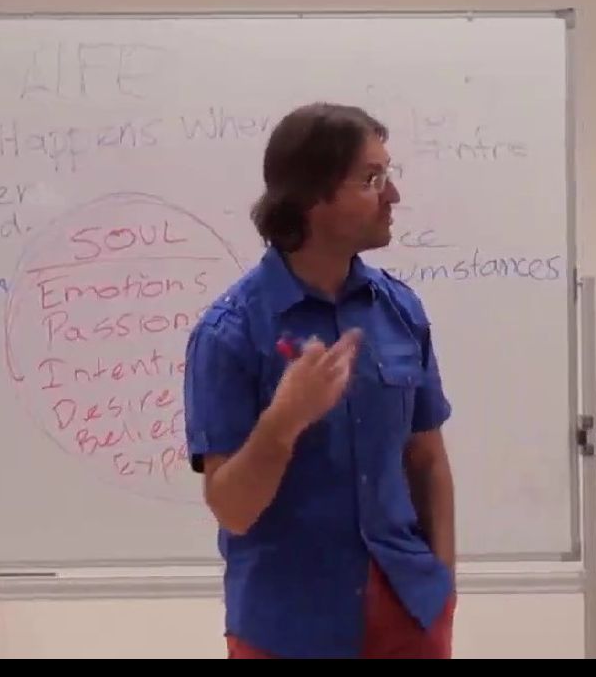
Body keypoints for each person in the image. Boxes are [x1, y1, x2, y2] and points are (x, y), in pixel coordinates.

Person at [182, 102, 457, 659]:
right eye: (371, 178)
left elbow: (427, 460)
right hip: (286, 626)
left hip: (408, 610)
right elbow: (232, 508)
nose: (392, 194)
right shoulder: (230, 332)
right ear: (312, 196)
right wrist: (283, 422)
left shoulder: (400, 310)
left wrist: (444, 586)